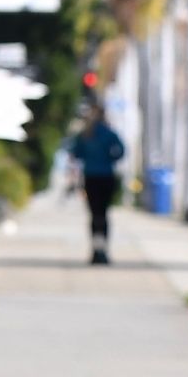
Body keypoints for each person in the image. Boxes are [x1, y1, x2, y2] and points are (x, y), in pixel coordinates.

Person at [69, 104, 125, 265]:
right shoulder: (109, 133)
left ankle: (96, 250)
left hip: (91, 177)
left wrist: (90, 159)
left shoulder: (86, 134)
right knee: (104, 214)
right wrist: (109, 159)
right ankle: (103, 250)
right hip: (106, 176)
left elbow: (76, 153)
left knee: (94, 214)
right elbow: (121, 151)